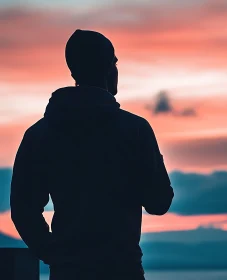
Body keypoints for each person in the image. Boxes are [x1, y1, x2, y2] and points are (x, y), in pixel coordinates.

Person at [10, 29, 174, 280]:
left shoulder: (39, 134)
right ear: (109, 68)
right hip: (123, 269)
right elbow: (160, 202)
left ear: (74, 71)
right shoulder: (134, 130)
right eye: (115, 62)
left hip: (67, 272)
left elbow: (23, 209)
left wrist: (54, 253)